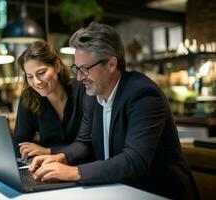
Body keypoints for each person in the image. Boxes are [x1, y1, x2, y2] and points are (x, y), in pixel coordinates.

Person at [29, 23, 200, 200]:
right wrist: (61, 158)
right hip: (118, 190)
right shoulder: (93, 93)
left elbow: (134, 160)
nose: (79, 77)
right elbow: (84, 142)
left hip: (157, 193)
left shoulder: (143, 94)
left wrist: (74, 172)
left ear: (111, 64)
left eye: (85, 69)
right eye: (76, 69)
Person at [14, 41, 95, 160]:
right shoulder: (29, 97)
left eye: (41, 73)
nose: (36, 82)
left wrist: (47, 151)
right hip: (47, 167)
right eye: (30, 76)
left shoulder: (83, 89)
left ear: (57, 66)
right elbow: (19, 145)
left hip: (84, 168)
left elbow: (87, 144)